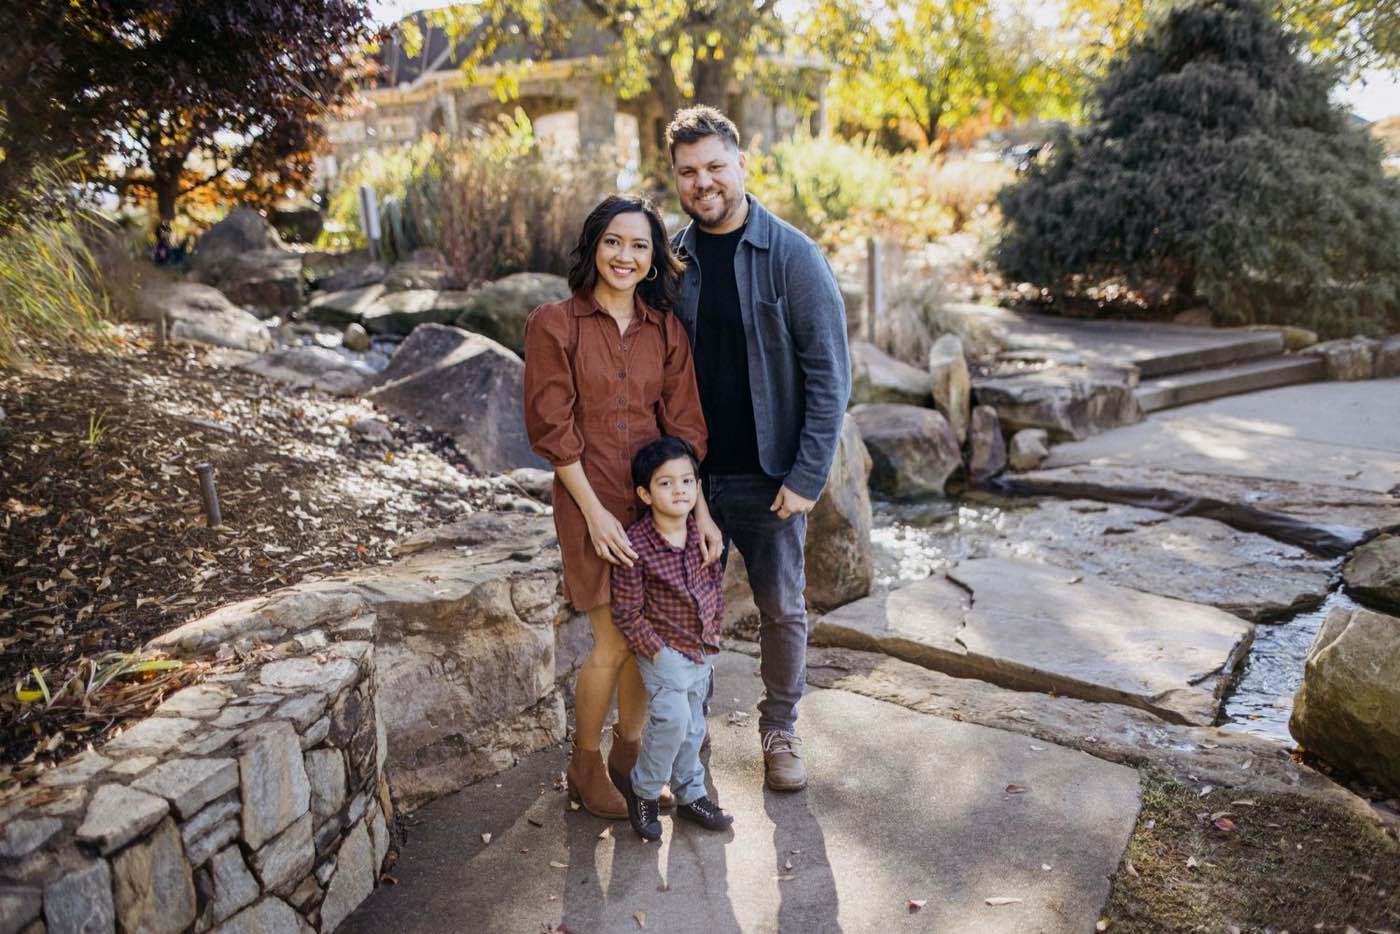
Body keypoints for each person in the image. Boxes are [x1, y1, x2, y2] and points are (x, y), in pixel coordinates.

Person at [665, 106, 851, 792]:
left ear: (742, 164)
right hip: (691, 482)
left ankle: (779, 728)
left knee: (781, 609)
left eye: (715, 166)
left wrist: (807, 475)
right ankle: (688, 733)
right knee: (687, 612)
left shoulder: (794, 257)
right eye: (688, 171)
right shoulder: (674, 262)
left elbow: (831, 375)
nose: (702, 181)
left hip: (771, 478)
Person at [522, 194, 722, 819]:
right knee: (611, 640)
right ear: (594, 246)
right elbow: (552, 428)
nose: (625, 256)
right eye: (614, 242)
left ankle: (627, 754)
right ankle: (583, 763)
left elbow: (685, 425)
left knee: (653, 637)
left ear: (654, 256)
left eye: (639, 245)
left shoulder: (664, 330)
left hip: (659, 508)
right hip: (591, 498)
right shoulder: (554, 324)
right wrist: (595, 514)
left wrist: (700, 513)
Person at [610, 436, 734, 841]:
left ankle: (691, 794)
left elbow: (713, 583)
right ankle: (643, 789)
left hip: (700, 649)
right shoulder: (636, 545)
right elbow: (627, 612)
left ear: (697, 487)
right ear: (645, 493)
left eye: (687, 481)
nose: (679, 490)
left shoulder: (702, 534)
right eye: (666, 483)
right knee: (672, 720)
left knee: (695, 726)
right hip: (663, 653)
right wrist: (658, 653)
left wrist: (712, 633)